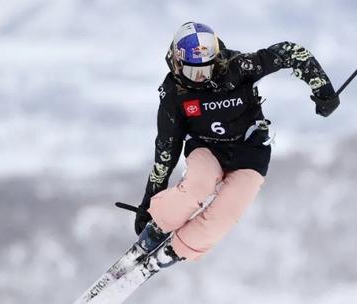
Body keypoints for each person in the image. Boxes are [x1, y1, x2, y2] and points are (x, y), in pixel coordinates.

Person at [134, 21, 340, 264]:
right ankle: (160, 226)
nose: (200, 78)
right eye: (193, 72)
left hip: (250, 152)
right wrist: (150, 201)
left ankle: (176, 251)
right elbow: (166, 150)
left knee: (225, 214)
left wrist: (323, 89)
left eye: (206, 70)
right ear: (177, 62)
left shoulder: (237, 68)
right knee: (199, 184)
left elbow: (290, 52)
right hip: (206, 148)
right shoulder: (174, 93)